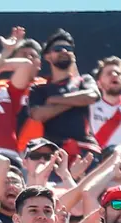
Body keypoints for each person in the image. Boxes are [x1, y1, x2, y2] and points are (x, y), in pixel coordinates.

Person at [28, 29, 100, 160]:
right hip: (53, 153)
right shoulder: (39, 89)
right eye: (58, 48)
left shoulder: (84, 80)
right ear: (48, 56)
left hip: (85, 151)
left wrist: (54, 100)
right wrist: (75, 101)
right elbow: (39, 115)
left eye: (68, 48)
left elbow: (92, 96)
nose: (64, 51)